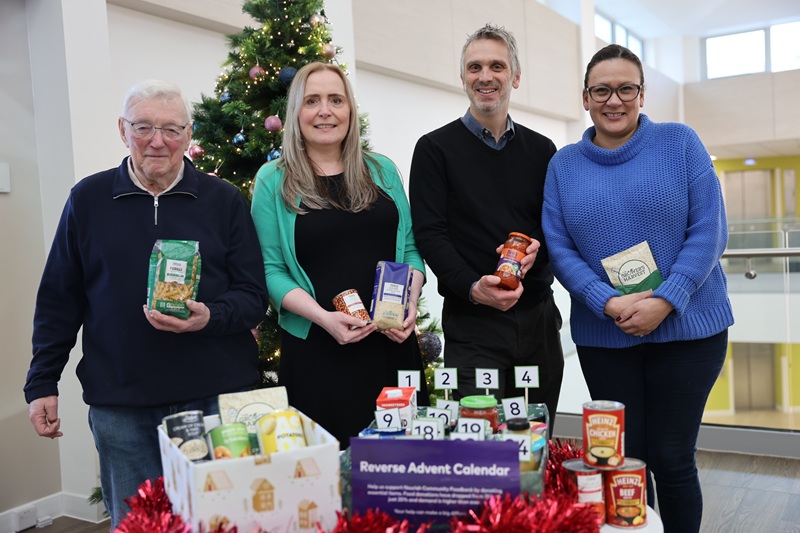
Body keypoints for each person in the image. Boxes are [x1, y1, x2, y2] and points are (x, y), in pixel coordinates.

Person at [24, 80, 270, 530]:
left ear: (189, 136)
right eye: (143, 127)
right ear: (123, 130)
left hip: (213, 399)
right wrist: (42, 381)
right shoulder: (88, 199)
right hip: (122, 407)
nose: (158, 140)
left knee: (218, 521)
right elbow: (60, 298)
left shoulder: (224, 201)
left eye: (171, 129)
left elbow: (254, 296)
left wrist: (208, 318)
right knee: (138, 524)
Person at [542, 44, 734, 533]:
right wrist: (603, 300)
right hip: (607, 336)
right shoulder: (564, 165)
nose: (614, 100)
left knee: (672, 458)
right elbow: (559, 247)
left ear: (642, 94)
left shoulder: (680, 143)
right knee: (625, 461)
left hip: (689, 331)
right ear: (585, 98)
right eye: (602, 90)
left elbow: (709, 229)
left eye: (626, 88)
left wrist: (666, 299)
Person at [250, 62, 429, 449]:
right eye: (312, 101)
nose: (325, 111)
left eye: (336, 99)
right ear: (296, 112)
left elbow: (412, 249)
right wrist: (323, 318)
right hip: (318, 352)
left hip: (392, 346)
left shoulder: (382, 171)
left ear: (350, 110)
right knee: (327, 482)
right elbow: (270, 269)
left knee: (401, 473)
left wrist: (411, 304)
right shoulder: (273, 180)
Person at [408, 24, 564, 426]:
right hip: (473, 325)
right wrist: (474, 288)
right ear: (463, 78)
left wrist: (537, 249)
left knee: (537, 438)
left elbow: (554, 228)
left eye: (497, 65)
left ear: (515, 76)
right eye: (474, 67)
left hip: (538, 323)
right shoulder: (434, 149)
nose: (485, 76)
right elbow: (430, 233)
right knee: (484, 445)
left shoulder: (542, 150)